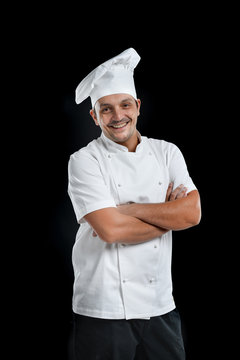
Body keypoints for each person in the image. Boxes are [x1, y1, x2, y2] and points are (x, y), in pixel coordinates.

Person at [67, 48, 201, 360]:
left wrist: (127, 210)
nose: (118, 116)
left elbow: (192, 213)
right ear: (94, 116)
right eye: (106, 109)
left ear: (137, 106)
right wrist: (168, 216)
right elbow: (111, 231)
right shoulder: (84, 161)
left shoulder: (167, 153)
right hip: (102, 307)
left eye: (125, 105)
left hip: (160, 305)